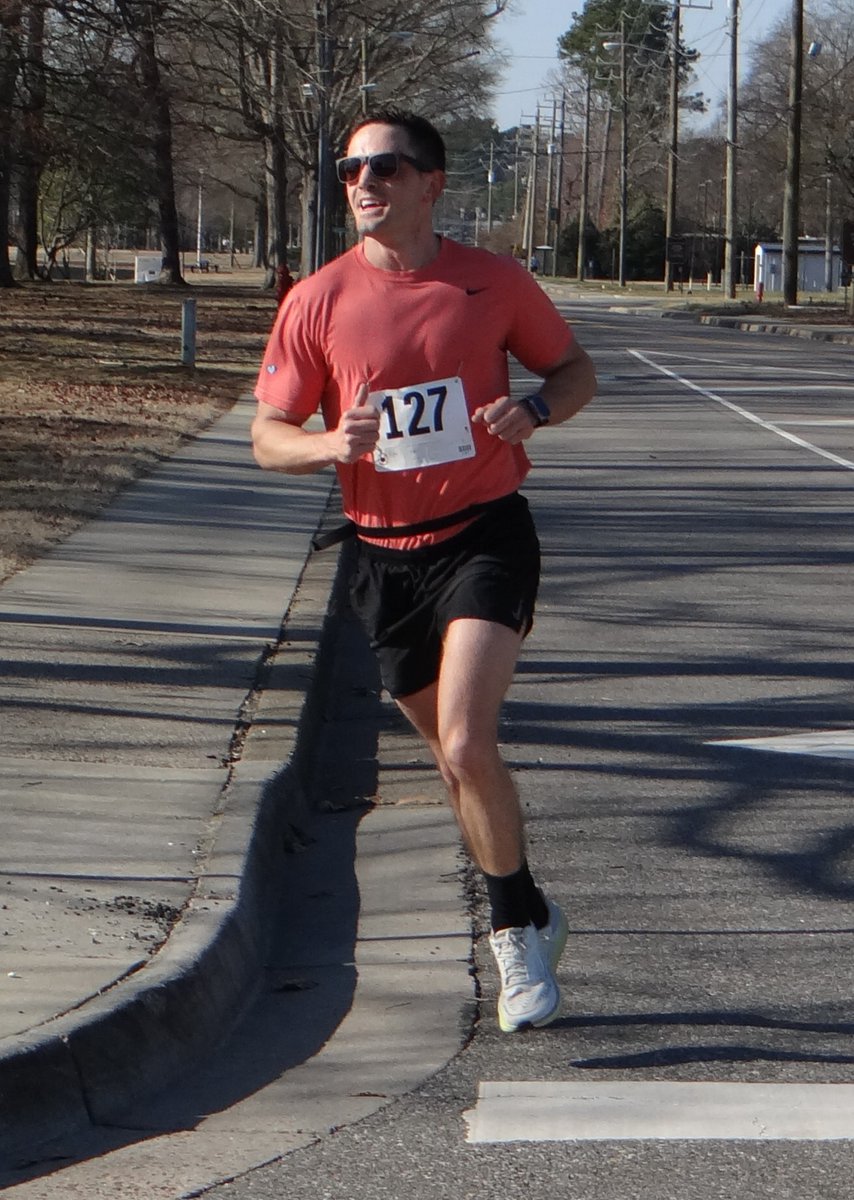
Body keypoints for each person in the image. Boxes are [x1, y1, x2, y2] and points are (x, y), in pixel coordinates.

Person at [252, 109, 596, 1033]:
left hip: (484, 535)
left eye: (387, 167)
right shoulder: (316, 301)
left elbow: (574, 371)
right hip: (380, 559)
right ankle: (536, 905)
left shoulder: (490, 282)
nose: (364, 182)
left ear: (430, 183)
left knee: (466, 742)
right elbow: (266, 437)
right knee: (450, 761)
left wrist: (536, 411)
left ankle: (515, 937)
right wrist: (328, 443)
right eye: (351, 168)